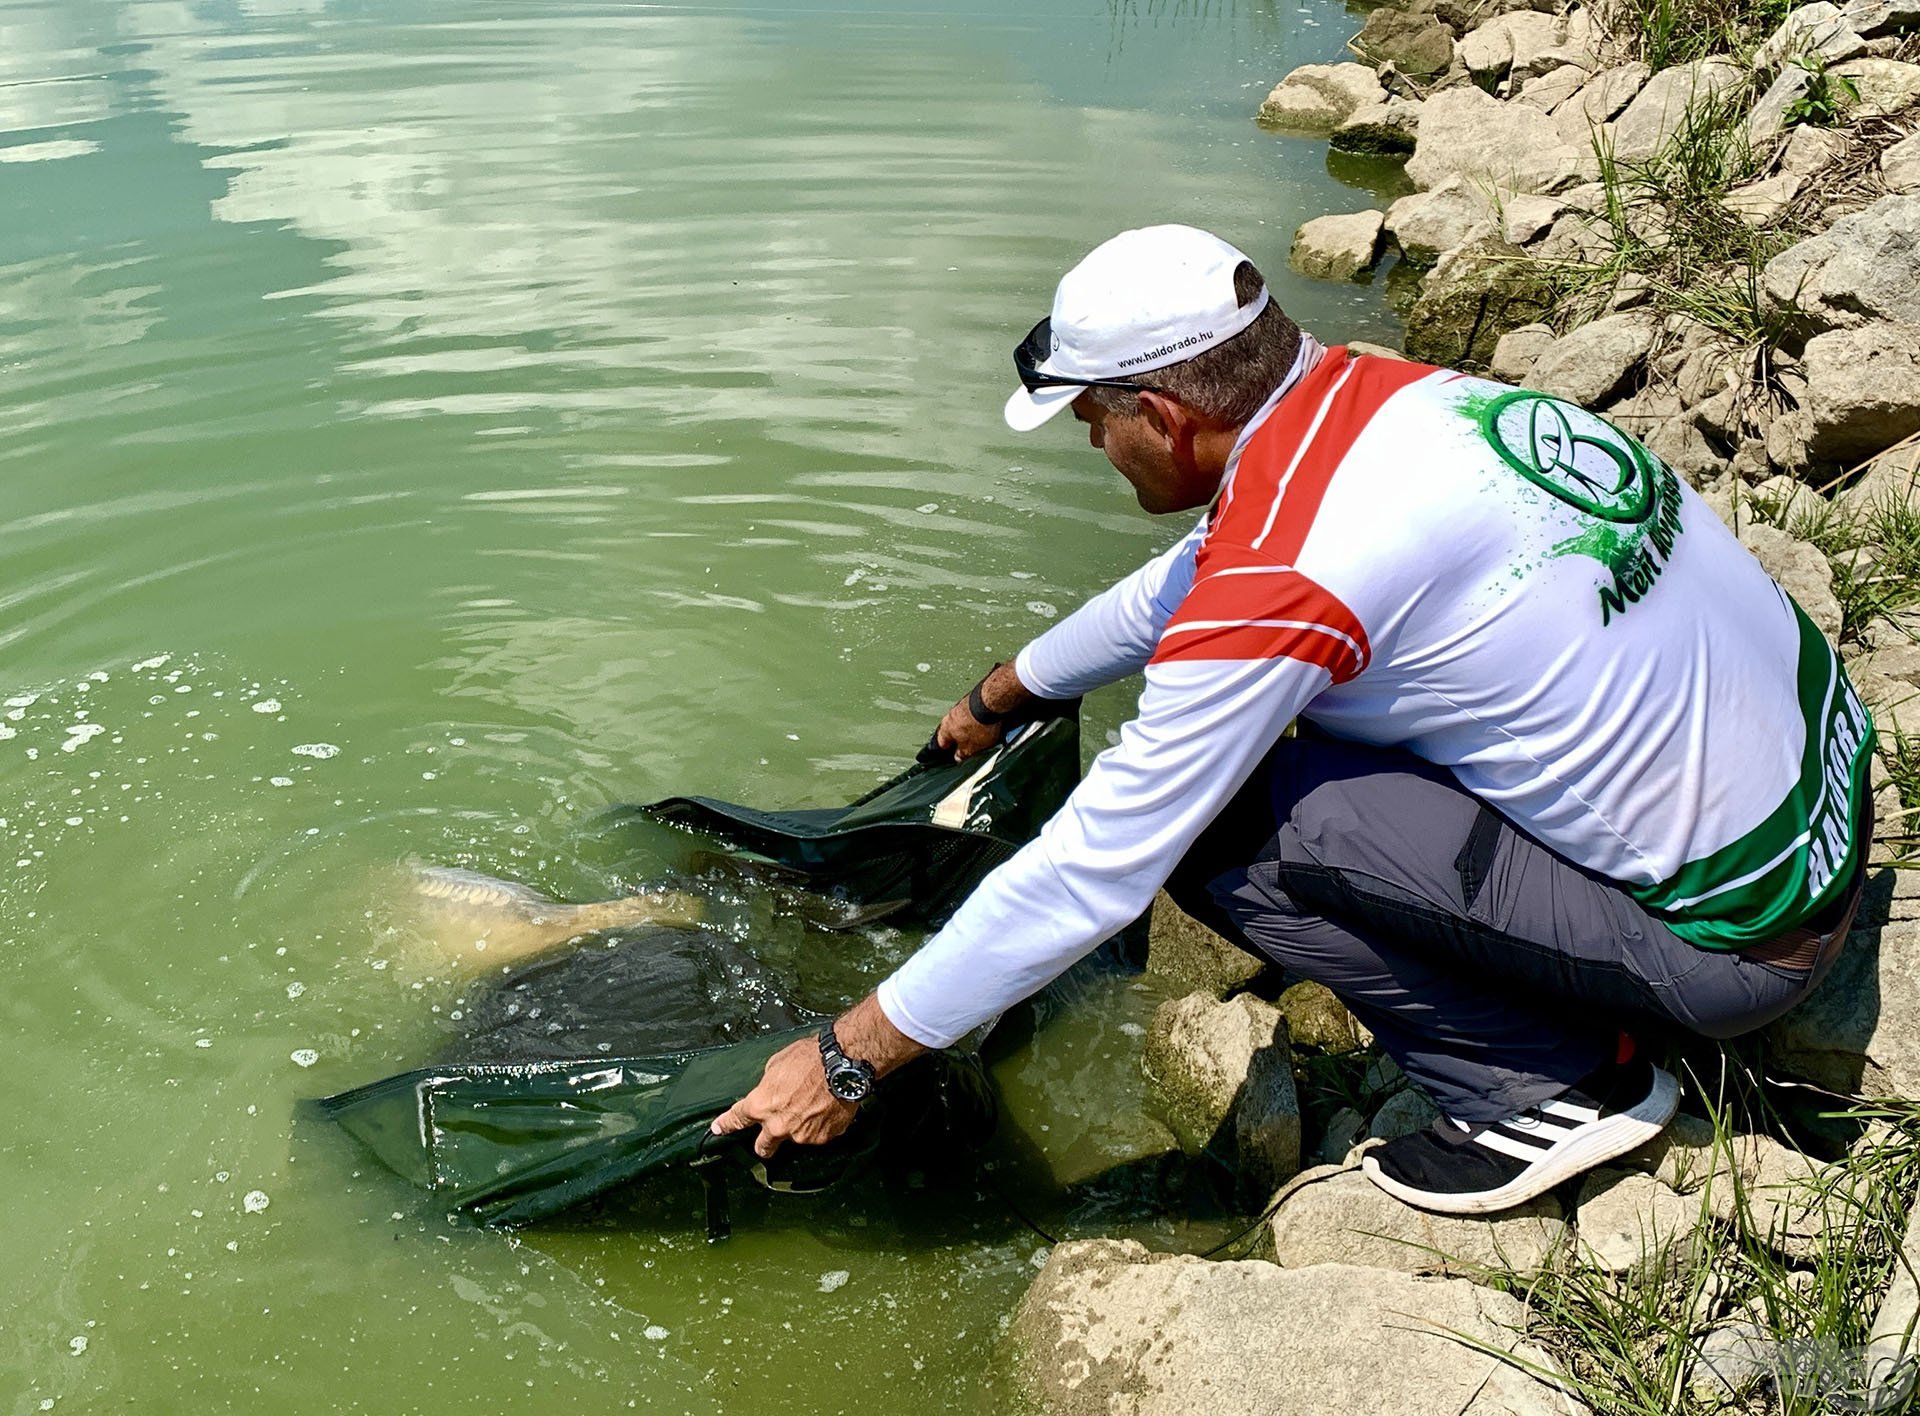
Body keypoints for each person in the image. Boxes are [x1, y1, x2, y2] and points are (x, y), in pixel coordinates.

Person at [711, 224, 1875, 1215]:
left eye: (1088, 422)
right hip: (1833, 801)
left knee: (1215, 837)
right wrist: (1005, 692)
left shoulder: (1287, 574)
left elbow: (1093, 870)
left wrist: (850, 1054)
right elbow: (1184, 588)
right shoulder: (1395, 403)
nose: (1089, 444)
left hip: (1748, 943)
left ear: (1162, 416)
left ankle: (1550, 1092)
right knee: (1326, 736)